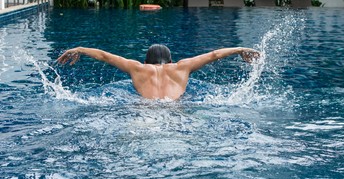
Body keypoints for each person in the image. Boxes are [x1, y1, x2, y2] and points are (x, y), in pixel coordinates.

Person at [57, 44, 261, 100]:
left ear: (146, 61)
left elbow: (104, 55)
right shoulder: (182, 66)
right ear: (171, 61)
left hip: (145, 115)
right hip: (175, 115)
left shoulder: (137, 67)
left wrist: (80, 49)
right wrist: (240, 49)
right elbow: (215, 54)